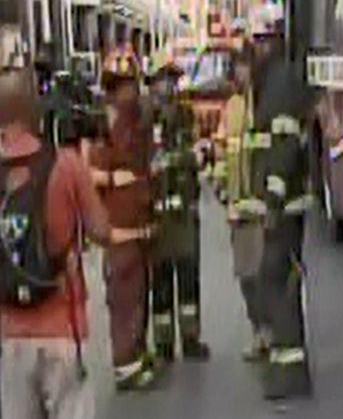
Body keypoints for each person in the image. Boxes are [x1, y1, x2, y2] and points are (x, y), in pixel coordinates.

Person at [0, 66, 151, 419]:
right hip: (62, 327)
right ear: (34, 109)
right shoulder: (65, 165)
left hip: (10, 333)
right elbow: (100, 230)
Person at [240, 21, 315, 399]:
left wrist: (272, 200)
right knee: (279, 279)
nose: (256, 50)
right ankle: (287, 368)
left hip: (283, 207)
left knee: (276, 280)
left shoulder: (280, 85)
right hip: (284, 204)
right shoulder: (274, 82)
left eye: (260, 43)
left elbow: (283, 146)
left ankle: (290, 373)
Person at [90, 47, 158, 391]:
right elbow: (92, 176)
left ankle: (136, 353)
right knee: (124, 301)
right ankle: (126, 367)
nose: (128, 93)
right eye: (121, 87)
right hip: (119, 235)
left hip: (139, 231)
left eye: (130, 85)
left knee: (137, 299)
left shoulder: (138, 126)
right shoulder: (105, 129)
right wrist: (116, 179)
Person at [147, 61, 209, 362]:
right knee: (159, 282)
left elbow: (197, 154)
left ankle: (190, 337)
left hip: (184, 211)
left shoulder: (185, 115)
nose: (169, 88)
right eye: (163, 81)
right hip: (156, 213)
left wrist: (178, 159)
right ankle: (162, 343)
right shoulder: (147, 119)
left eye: (173, 82)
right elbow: (147, 162)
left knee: (188, 277)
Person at [215, 48, 269, 361]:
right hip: (238, 208)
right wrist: (221, 188)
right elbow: (223, 152)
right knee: (246, 276)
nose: (241, 73)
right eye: (237, 68)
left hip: (260, 208)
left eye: (245, 67)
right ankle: (257, 331)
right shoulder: (232, 108)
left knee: (264, 274)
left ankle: (269, 332)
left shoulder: (262, 106)